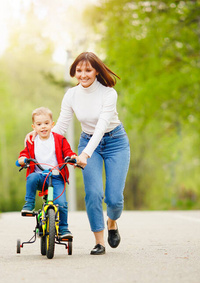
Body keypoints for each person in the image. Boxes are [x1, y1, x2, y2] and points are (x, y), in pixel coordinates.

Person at [26, 52, 130, 255]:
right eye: (79, 70)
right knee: (93, 194)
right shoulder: (71, 95)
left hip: (115, 142)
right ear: (74, 72)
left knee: (114, 199)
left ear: (97, 71)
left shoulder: (108, 93)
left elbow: (101, 127)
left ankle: (112, 223)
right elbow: (61, 125)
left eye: (88, 70)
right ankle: (99, 241)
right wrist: (39, 136)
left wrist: (85, 155)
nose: (83, 74)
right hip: (87, 141)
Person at [17, 107, 77, 239]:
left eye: (46, 123)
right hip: (40, 177)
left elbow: (68, 152)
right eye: (39, 124)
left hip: (56, 177)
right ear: (34, 126)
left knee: (61, 203)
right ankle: (29, 204)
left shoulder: (60, 139)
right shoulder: (32, 141)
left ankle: (63, 229)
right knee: (31, 177)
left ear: (52, 124)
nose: (43, 127)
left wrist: (72, 157)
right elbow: (24, 154)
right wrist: (22, 160)